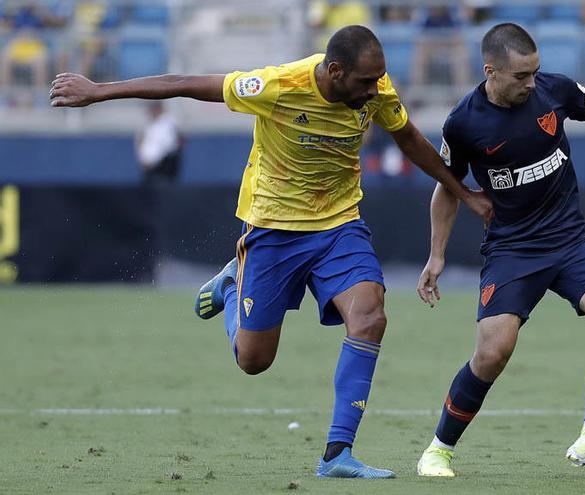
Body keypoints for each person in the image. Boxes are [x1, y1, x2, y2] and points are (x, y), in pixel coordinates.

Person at [50, 25, 492, 479]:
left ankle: (337, 455)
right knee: (254, 361)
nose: (374, 88)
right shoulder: (277, 85)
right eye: (364, 81)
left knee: (371, 317)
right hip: (274, 231)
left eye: (378, 78)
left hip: (339, 226)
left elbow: (409, 139)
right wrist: (99, 91)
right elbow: (181, 84)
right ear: (334, 71)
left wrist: (463, 191)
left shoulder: (374, 89)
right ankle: (232, 282)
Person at [414, 23, 585, 477]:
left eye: (535, 72)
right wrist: (436, 256)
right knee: (492, 353)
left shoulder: (554, 90)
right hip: (513, 251)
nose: (531, 82)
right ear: (491, 71)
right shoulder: (464, 122)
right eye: (522, 75)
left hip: (569, 242)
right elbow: (446, 189)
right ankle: (438, 449)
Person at [135, 101, 182, 186]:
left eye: (152, 108)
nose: (149, 111)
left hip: (161, 170)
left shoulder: (166, 124)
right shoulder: (153, 125)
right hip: (153, 170)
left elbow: (165, 147)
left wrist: (150, 162)